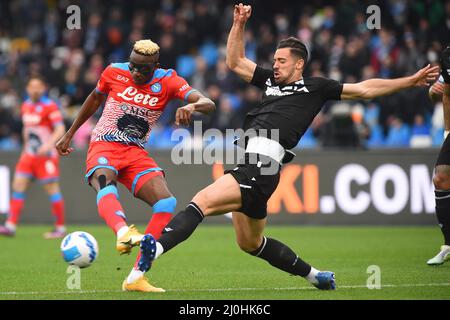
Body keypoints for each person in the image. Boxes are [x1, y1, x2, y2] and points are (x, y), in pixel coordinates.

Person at [131, 4, 439, 291]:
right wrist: (238, 24)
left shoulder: (316, 87)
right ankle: (315, 275)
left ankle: (154, 250)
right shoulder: (270, 82)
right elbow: (235, 62)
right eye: (274, 60)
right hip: (255, 164)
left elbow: (365, 89)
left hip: (262, 166)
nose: (274, 65)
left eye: (281, 61)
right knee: (250, 244)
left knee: (201, 201)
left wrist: (409, 81)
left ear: (299, 64)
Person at [55, 39, 215, 292]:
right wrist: (69, 133)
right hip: (104, 143)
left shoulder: (169, 81)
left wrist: (192, 105)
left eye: (143, 69)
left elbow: (209, 104)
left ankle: (136, 276)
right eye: (133, 67)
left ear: (156, 67)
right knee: (105, 181)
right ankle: (122, 232)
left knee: (166, 202)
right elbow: (95, 99)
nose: (136, 73)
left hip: (135, 152)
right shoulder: (113, 71)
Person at [0, 76, 67, 239]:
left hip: (46, 156)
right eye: (32, 86)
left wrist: (48, 145)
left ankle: (60, 228)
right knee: (18, 185)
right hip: (29, 155)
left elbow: (60, 129)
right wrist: (25, 149)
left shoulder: (49, 106)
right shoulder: (26, 106)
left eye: (38, 86)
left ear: (43, 88)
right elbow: (27, 130)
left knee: (52, 189)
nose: (35, 89)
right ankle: (10, 225)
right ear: (28, 89)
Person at [427, 45, 450, 266]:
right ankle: (448, 245)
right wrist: (447, 131)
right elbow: (442, 93)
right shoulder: (448, 56)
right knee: (441, 178)